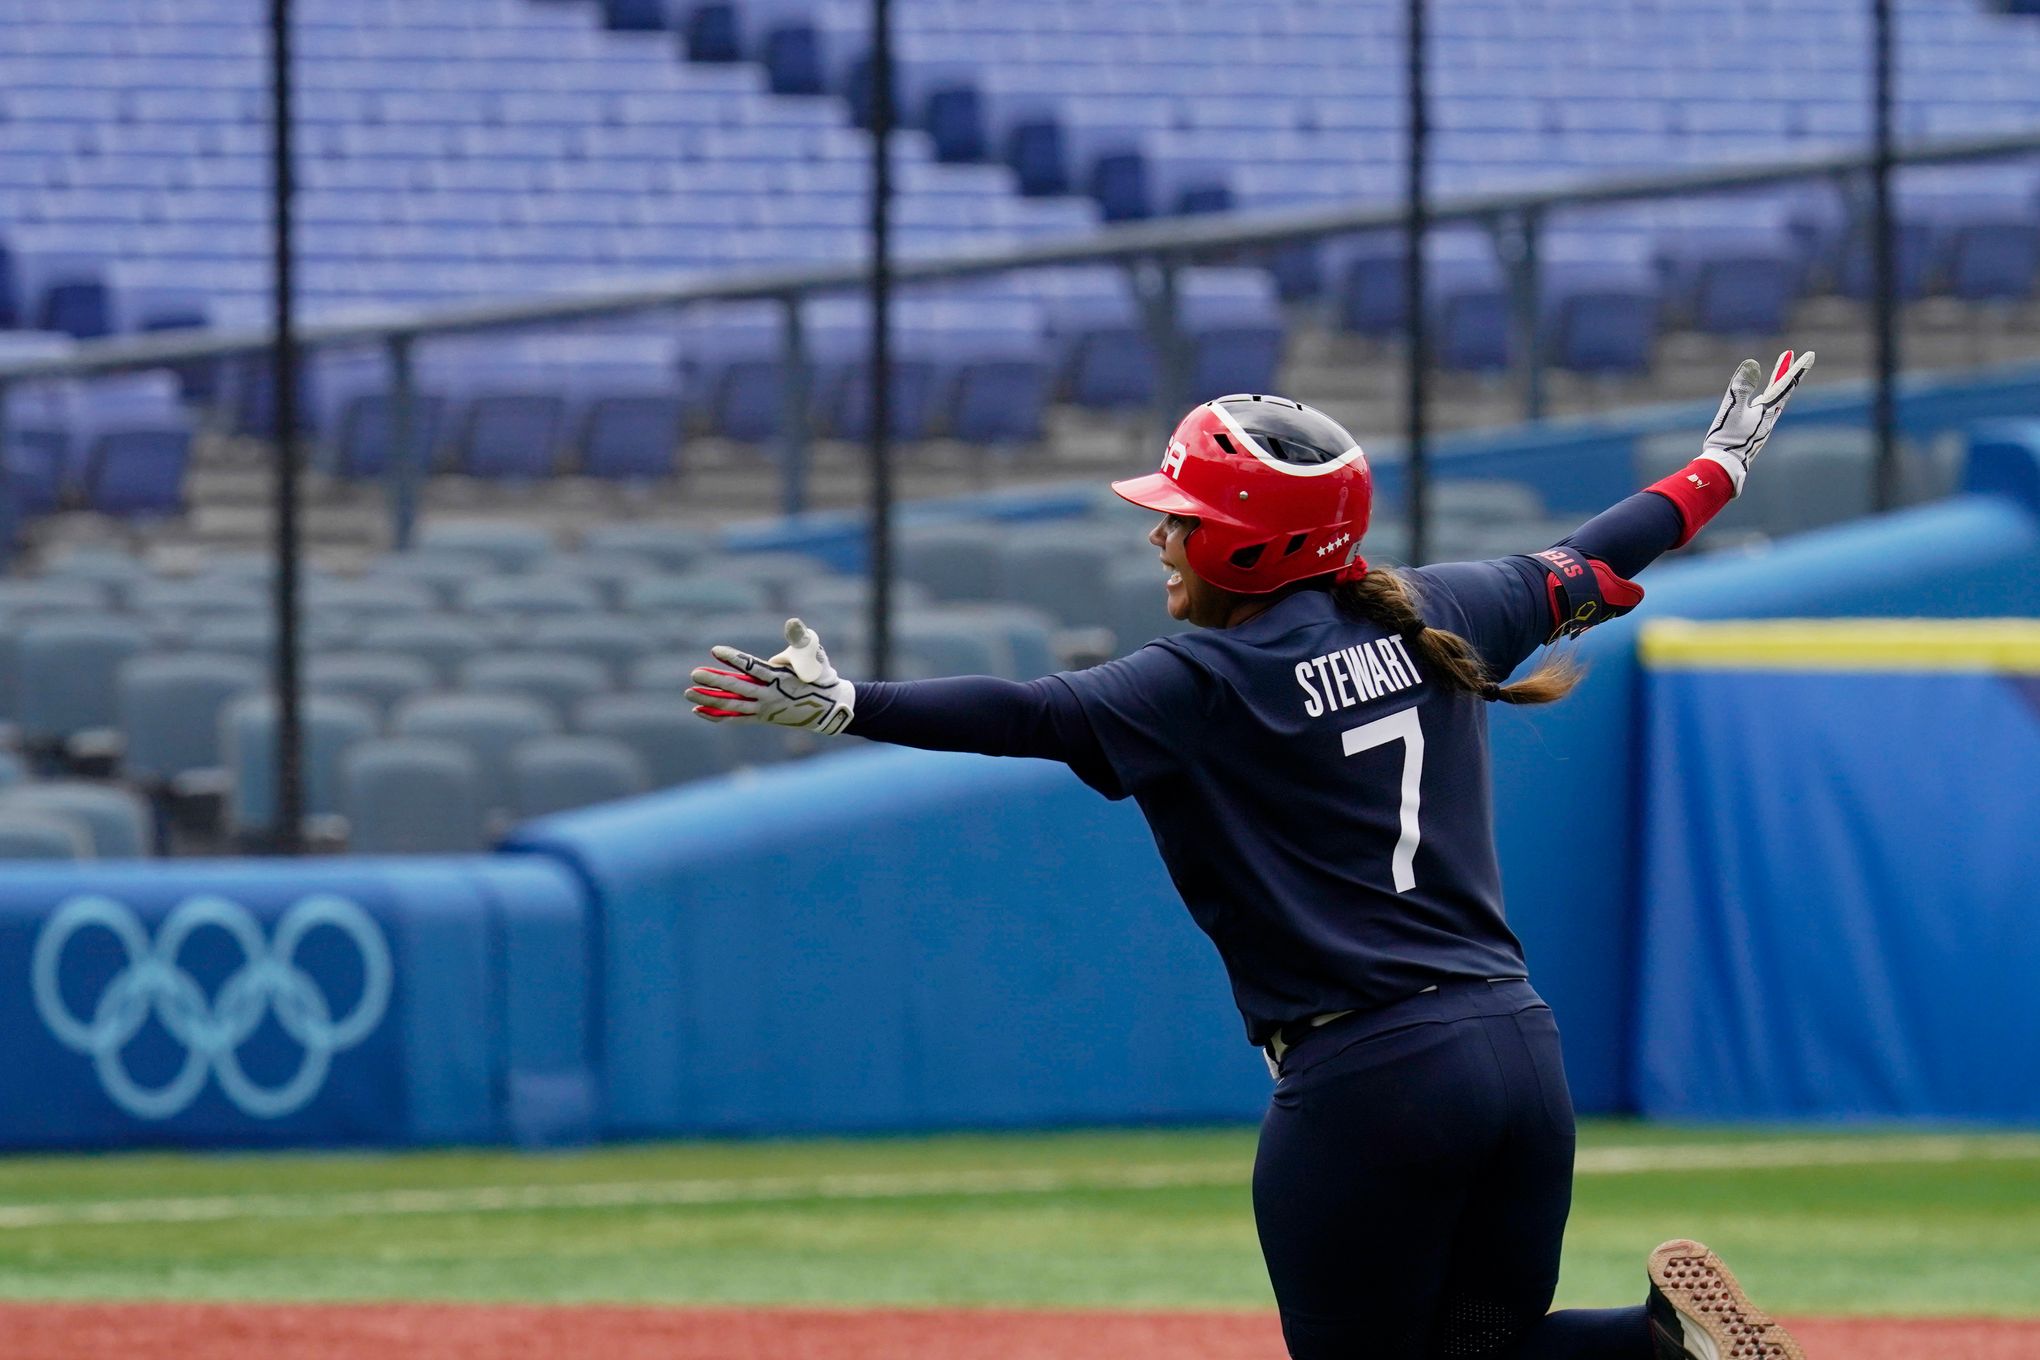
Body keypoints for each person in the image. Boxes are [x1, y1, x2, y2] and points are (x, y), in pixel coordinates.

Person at [686, 352, 1816, 1360]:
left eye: (1178, 515)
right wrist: (1717, 466)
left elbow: (1023, 712)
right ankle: (1663, 1345)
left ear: (1245, 535)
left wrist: (847, 704)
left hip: (1372, 1081)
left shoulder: (1205, 682)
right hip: (1516, 1047)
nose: (1157, 535)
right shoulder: (1440, 607)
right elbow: (1595, 554)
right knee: (1484, 1351)